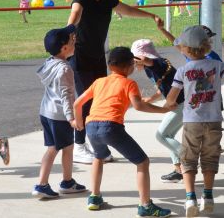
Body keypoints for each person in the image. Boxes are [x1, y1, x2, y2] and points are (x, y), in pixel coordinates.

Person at [67, 0, 163, 164]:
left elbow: (127, 10)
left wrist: (150, 15)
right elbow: (75, 14)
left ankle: (96, 145)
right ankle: (78, 146)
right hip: (80, 57)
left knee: (100, 99)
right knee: (86, 101)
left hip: (97, 56)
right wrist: (68, 31)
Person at [163, 25, 224, 217]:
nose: (180, 48)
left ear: (188, 49)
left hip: (192, 122)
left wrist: (169, 104)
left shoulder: (182, 71)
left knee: (188, 159)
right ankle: (207, 196)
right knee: (210, 157)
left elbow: (171, 99)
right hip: (214, 120)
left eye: (181, 46)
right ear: (206, 46)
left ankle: (190, 197)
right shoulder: (217, 66)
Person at [73, 47, 172, 217]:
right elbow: (139, 106)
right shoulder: (129, 83)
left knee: (99, 157)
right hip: (110, 127)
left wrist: (78, 122)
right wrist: (164, 110)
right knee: (142, 162)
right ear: (129, 67)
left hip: (91, 126)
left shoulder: (99, 82)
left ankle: (94, 197)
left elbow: (77, 103)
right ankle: (145, 206)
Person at [32, 25, 87, 199]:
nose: (74, 41)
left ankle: (66, 181)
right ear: (64, 48)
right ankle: (44, 184)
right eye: (72, 41)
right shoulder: (65, 69)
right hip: (59, 116)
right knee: (57, 149)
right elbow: (66, 95)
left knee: (62, 147)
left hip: (46, 112)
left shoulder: (49, 63)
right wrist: (72, 118)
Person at [131, 38, 185, 183]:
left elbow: (150, 61)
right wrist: (151, 99)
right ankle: (178, 170)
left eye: (135, 58)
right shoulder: (151, 69)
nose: (134, 63)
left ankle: (188, 157)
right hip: (177, 104)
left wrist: (141, 59)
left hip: (182, 105)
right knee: (169, 136)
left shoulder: (158, 63)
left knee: (161, 135)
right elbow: (164, 87)